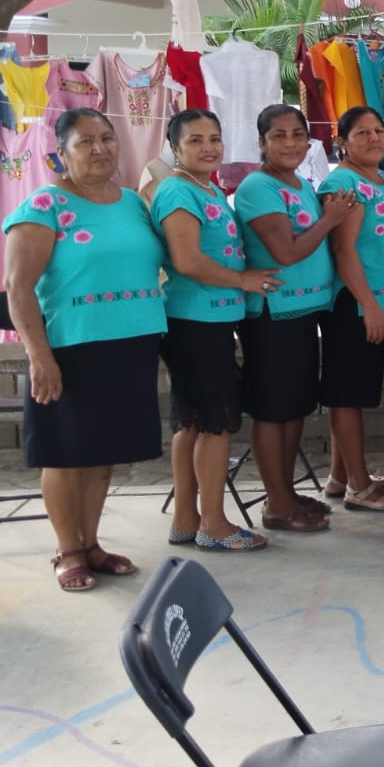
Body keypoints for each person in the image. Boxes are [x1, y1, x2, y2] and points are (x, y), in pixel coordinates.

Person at [2, 109, 166, 592]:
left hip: (132, 342)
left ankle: (91, 542)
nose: (100, 149)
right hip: (71, 347)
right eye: (85, 142)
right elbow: (17, 288)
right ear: (61, 154)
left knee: (102, 452)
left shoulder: (134, 204)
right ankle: (67, 549)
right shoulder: (44, 205)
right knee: (66, 452)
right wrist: (40, 356)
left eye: (107, 139)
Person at [152, 110, 279, 552]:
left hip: (208, 322)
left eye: (215, 138)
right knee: (216, 423)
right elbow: (186, 261)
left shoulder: (205, 188)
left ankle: (187, 519)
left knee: (191, 421)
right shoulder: (177, 191)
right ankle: (213, 523)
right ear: (175, 148)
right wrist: (243, 280)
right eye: (195, 140)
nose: (209, 147)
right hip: (194, 322)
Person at [234, 104, 353, 532]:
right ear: (262, 142)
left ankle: (283, 492)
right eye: (279, 136)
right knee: (273, 410)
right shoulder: (257, 187)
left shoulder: (300, 183)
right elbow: (286, 253)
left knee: (294, 409)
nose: (290, 144)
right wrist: (331, 220)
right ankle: (276, 505)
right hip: (272, 315)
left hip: (303, 312)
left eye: (298, 135)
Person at [317, 107, 384, 513]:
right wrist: (370, 307)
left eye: (379, 130)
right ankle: (360, 486)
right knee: (347, 396)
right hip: (355, 305)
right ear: (342, 141)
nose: (374, 137)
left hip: (381, 304)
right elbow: (343, 250)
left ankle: (341, 477)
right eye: (362, 132)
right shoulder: (342, 182)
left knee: (354, 393)